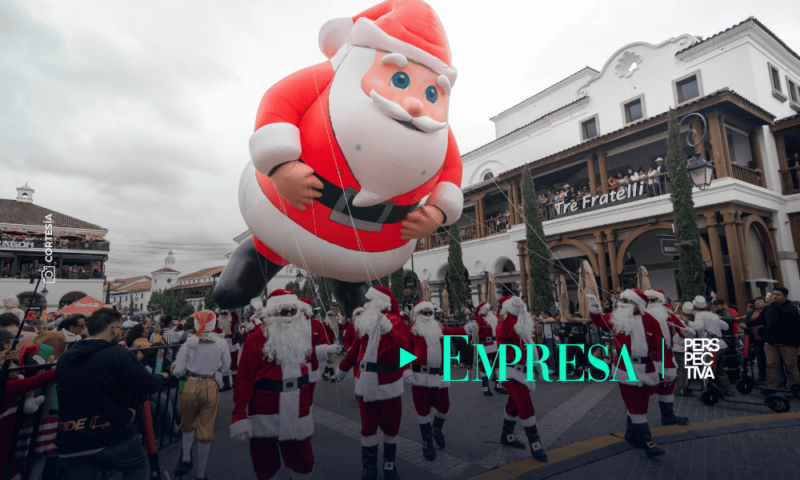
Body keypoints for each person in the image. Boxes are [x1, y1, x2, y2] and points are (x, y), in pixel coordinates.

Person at [55, 308, 168, 480]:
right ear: (113, 329)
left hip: (71, 441)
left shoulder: (65, 357)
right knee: (137, 467)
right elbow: (147, 384)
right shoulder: (118, 354)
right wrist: (163, 376)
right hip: (111, 435)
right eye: (121, 329)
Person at [230, 289, 320, 480]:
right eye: (282, 311)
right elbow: (244, 378)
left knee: (304, 462)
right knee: (265, 466)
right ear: (271, 313)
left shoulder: (300, 337)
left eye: (292, 311)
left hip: (297, 410)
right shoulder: (255, 339)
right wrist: (239, 413)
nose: (288, 316)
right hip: (264, 412)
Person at [335, 286, 411, 480]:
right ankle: (369, 468)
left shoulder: (396, 322)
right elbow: (354, 349)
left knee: (391, 428)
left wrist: (387, 328)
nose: (367, 304)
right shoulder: (364, 321)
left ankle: (389, 465)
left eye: (370, 301)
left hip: (389, 385)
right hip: (365, 383)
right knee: (368, 428)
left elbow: (404, 348)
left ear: (381, 303)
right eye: (367, 301)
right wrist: (342, 369)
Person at [586, 289, 666, 457]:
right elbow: (598, 320)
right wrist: (594, 305)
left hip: (648, 367)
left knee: (642, 404)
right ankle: (648, 442)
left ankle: (631, 434)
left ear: (638, 304)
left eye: (627, 301)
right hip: (625, 367)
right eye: (622, 300)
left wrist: (662, 368)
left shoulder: (650, 320)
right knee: (636, 406)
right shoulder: (616, 318)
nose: (622, 303)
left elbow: (660, 344)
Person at [404, 301, 477, 461]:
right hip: (419, 376)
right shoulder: (411, 330)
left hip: (439, 375)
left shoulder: (440, 328)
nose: (429, 316)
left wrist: (468, 328)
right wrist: (406, 371)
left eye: (431, 313)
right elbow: (404, 351)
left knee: (444, 407)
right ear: (418, 314)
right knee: (422, 410)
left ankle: (436, 430)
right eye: (425, 313)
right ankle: (426, 441)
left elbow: (454, 330)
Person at [173, 310, 231, 480]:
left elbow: (179, 371)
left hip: (190, 383)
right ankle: (200, 475)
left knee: (187, 423)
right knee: (205, 429)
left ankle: (185, 459)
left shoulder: (188, 343)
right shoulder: (221, 343)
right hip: (210, 385)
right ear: (214, 323)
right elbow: (226, 368)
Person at [492, 296, 548, 462]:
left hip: (523, 372)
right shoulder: (503, 324)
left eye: (522, 308)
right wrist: (513, 313)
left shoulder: (523, 328)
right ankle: (535, 443)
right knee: (525, 405)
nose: (521, 311)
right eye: (517, 309)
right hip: (509, 372)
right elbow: (504, 331)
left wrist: (537, 363)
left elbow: (530, 349)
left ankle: (506, 435)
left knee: (514, 404)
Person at [645, 289, 692, 425]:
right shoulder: (641, 317)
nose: (649, 303)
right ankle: (636, 422)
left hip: (667, 357)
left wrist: (689, 331)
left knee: (667, 387)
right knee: (642, 390)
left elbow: (683, 331)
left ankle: (668, 416)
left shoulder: (669, 316)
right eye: (647, 300)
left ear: (661, 302)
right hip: (649, 359)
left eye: (652, 301)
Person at [748, 287, 800, 394]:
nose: (774, 296)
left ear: (785, 297)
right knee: (771, 365)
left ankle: (794, 388)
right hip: (771, 342)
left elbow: (785, 316)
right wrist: (746, 323)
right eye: (774, 294)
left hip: (788, 342)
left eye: (778, 295)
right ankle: (772, 386)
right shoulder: (768, 308)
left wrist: (774, 304)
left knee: (790, 366)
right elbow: (760, 319)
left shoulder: (791, 307)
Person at [686, 296, 734, 397]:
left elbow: (697, 327)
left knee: (707, 371)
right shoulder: (713, 315)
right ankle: (729, 391)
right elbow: (726, 326)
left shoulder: (700, 315)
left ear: (695, 306)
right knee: (720, 371)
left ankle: (709, 394)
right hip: (721, 344)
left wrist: (686, 321)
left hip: (709, 346)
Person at [474, 301, 506, 396]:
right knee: (485, 366)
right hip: (484, 345)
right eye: (489, 309)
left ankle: (498, 385)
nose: (490, 311)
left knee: (499, 365)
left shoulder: (494, 319)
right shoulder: (478, 319)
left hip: (495, 344)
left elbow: (502, 320)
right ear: (484, 310)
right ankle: (485, 387)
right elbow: (475, 326)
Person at [741, 296, 768, 382]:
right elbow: (748, 322)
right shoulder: (752, 312)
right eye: (756, 301)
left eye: (760, 301)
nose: (758, 302)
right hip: (755, 338)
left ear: (765, 303)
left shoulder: (768, 311)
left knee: (770, 358)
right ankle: (762, 374)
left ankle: (773, 375)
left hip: (767, 338)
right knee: (759, 357)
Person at [675, 302, 696, 397]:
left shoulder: (676, 319)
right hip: (681, 348)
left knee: (685, 368)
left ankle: (684, 386)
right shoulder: (686, 323)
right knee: (683, 368)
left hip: (682, 347)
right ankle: (680, 389)